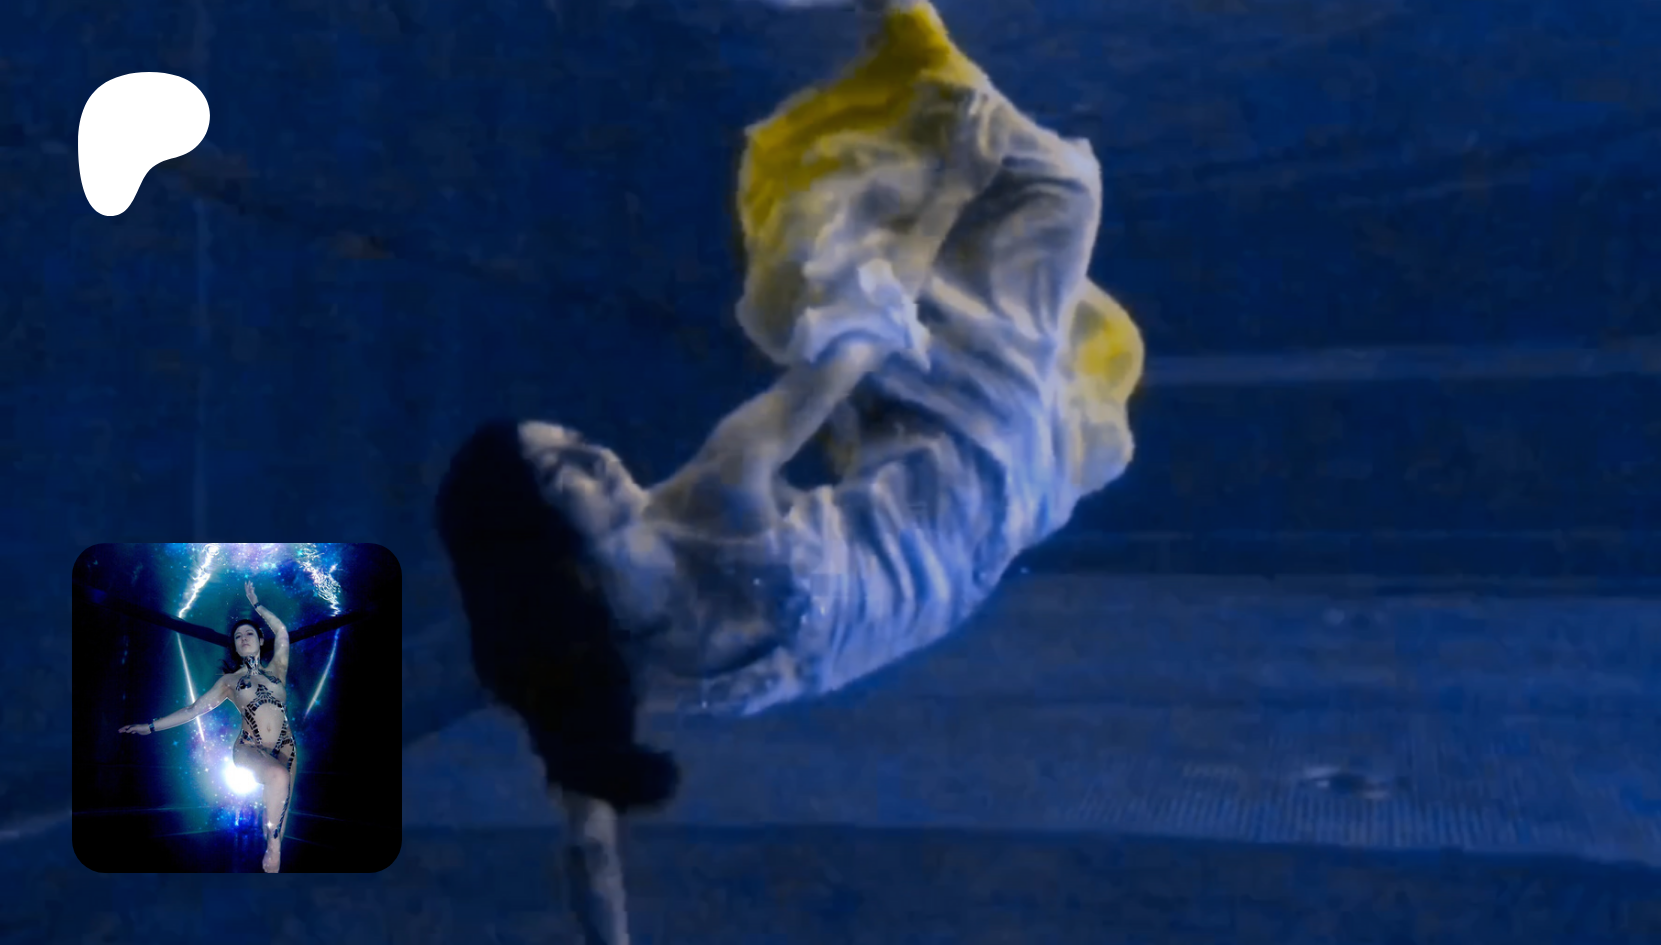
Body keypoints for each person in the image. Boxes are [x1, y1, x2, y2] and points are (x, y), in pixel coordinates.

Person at [436, 0, 1143, 940]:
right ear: (542, 540)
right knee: (1057, 190)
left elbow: (588, 847)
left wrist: (944, 197)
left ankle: (910, 41)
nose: (596, 454)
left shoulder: (616, 620)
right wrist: (949, 187)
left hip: (934, 516)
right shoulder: (632, 597)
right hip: (982, 470)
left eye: (573, 438)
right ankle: (916, 52)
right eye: (561, 469)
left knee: (990, 215)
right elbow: (850, 351)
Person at [119, 581, 298, 873]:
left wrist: (257, 605)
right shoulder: (229, 681)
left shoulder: (277, 669)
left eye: (248, 633)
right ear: (235, 645)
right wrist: (149, 727)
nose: (243, 638)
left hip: (286, 747)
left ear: (259, 639)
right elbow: (193, 710)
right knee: (277, 780)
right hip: (250, 747)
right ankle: (273, 848)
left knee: (279, 813)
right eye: (237, 636)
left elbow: (282, 632)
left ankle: (272, 861)